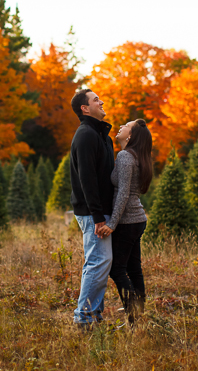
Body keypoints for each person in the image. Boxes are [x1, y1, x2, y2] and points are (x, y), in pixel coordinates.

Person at [69, 89, 115, 330]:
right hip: (92, 213)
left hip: (101, 211)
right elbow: (87, 179)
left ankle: (94, 314)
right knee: (98, 261)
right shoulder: (86, 135)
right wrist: (98, 216)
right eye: (96, 99)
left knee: (101, 261)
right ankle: (84, 317)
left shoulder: (101, 135)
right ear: (85, 108)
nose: (101, 101)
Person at [107, 118, 152, 326]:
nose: (120, 127)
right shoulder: (137, 156)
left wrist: (112, 224)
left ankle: (133, 313)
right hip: (138, 219)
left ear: (131, 136)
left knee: (116, 269)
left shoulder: (125, 156)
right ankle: (138, 315)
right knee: (134, 269)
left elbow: (123, 193)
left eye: (126, 126)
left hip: (127, 222)